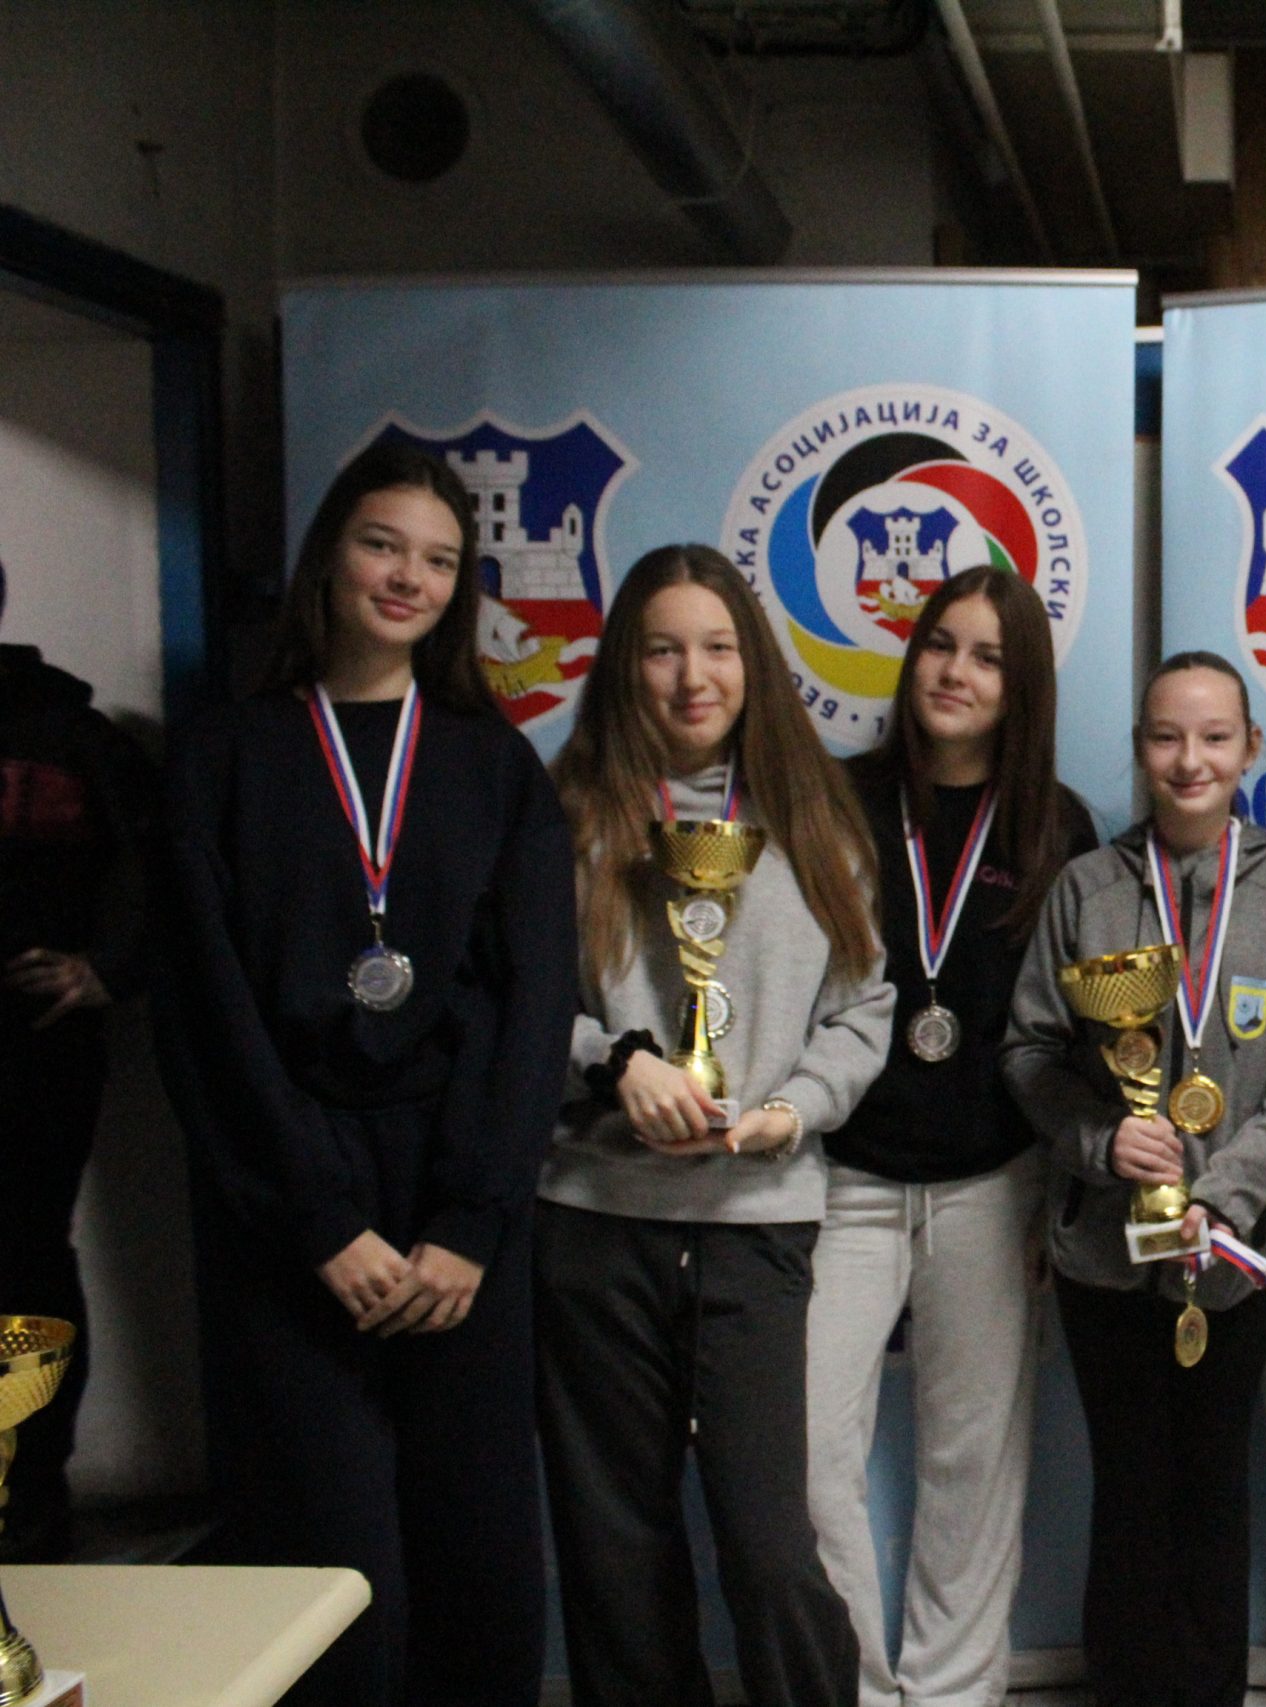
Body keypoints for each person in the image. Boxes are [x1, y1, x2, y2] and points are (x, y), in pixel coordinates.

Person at [156, 443, 579, 1706]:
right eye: (382, 545)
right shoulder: (225, 755)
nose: (408, 578)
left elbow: (532, 1007)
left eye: (440, 561)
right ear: (328, 557)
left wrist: (471, 1222)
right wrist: (318, 1221)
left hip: (458, 1212)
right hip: (290, 1209)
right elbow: (205, 1013)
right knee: (326, 1562)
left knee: (476, 1556)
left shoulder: (493, 765)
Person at [540, 543, 893, 1707]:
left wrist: (795, 1108)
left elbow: (864, 1008)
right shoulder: (567, 816)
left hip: (757, 1224)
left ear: (754, 663)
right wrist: (616, 1066)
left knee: (771, 1544)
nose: (693, 678)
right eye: (662, 650)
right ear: (623, 666)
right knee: (615, 1546)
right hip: (597, 1220)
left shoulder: (816, 818)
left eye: (717, 647)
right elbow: (511, 1008)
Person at [1002, 650, 1266, 1707]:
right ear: (1141, 749)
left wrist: (1228, 1188)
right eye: (1165, 736)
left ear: (1250, 748)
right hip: (1108, 1255)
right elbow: (1029, 1052)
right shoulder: (1087, 888)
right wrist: (1101, 1142)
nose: (1189, 758)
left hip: (1233, 1254)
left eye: (1213, 736)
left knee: (1211, 1487)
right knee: (1130, 1490)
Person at [807, 565, 1097, 1707]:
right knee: (806, 1452)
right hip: (843, 1175)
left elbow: (1075, 1035)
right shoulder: (836, 798)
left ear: (1021, 686)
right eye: (939, 644)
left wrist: (1057, 1191)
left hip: (992, 1181)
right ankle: (853, 1686)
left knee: (974, 1460)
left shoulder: (1056, 826)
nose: (956, 673)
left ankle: (954, 1690)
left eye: (987, 657)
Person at [0, 560, 157, 1562]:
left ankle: (27, 1498)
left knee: (21, 1270)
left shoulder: (67, 733)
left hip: (30, 1059)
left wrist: (110, 969)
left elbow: (174, 866)